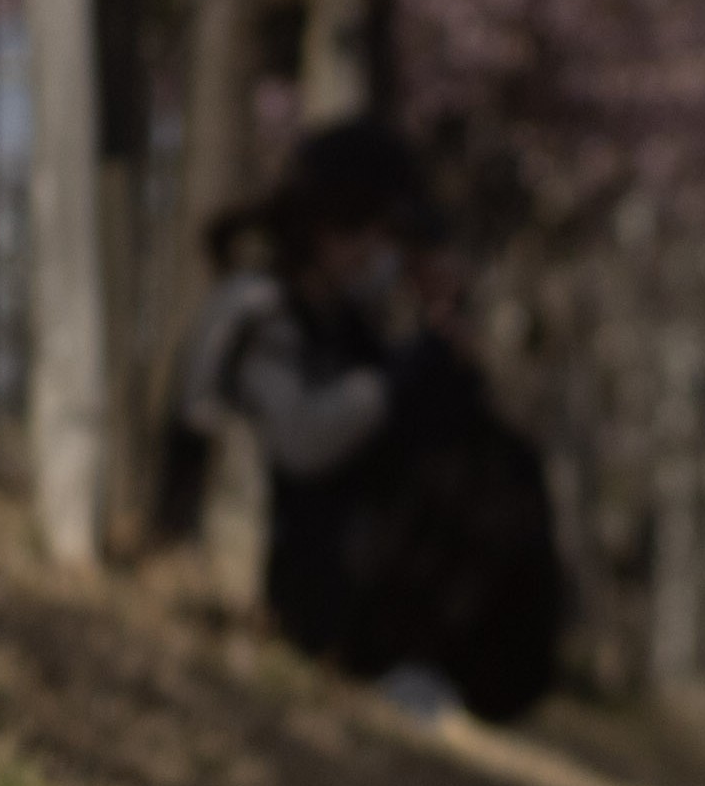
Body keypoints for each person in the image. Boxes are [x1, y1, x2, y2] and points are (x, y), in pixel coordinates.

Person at [168, 117, 565, 723]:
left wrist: (442, 349)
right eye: (378, 234)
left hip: (321, 568)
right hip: (257, 564)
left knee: (496, 460)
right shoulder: (256, 309)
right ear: (329, 224)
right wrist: (407, 371)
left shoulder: (344, 321)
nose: (383, 256)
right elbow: (302, 441)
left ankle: (465, 673)